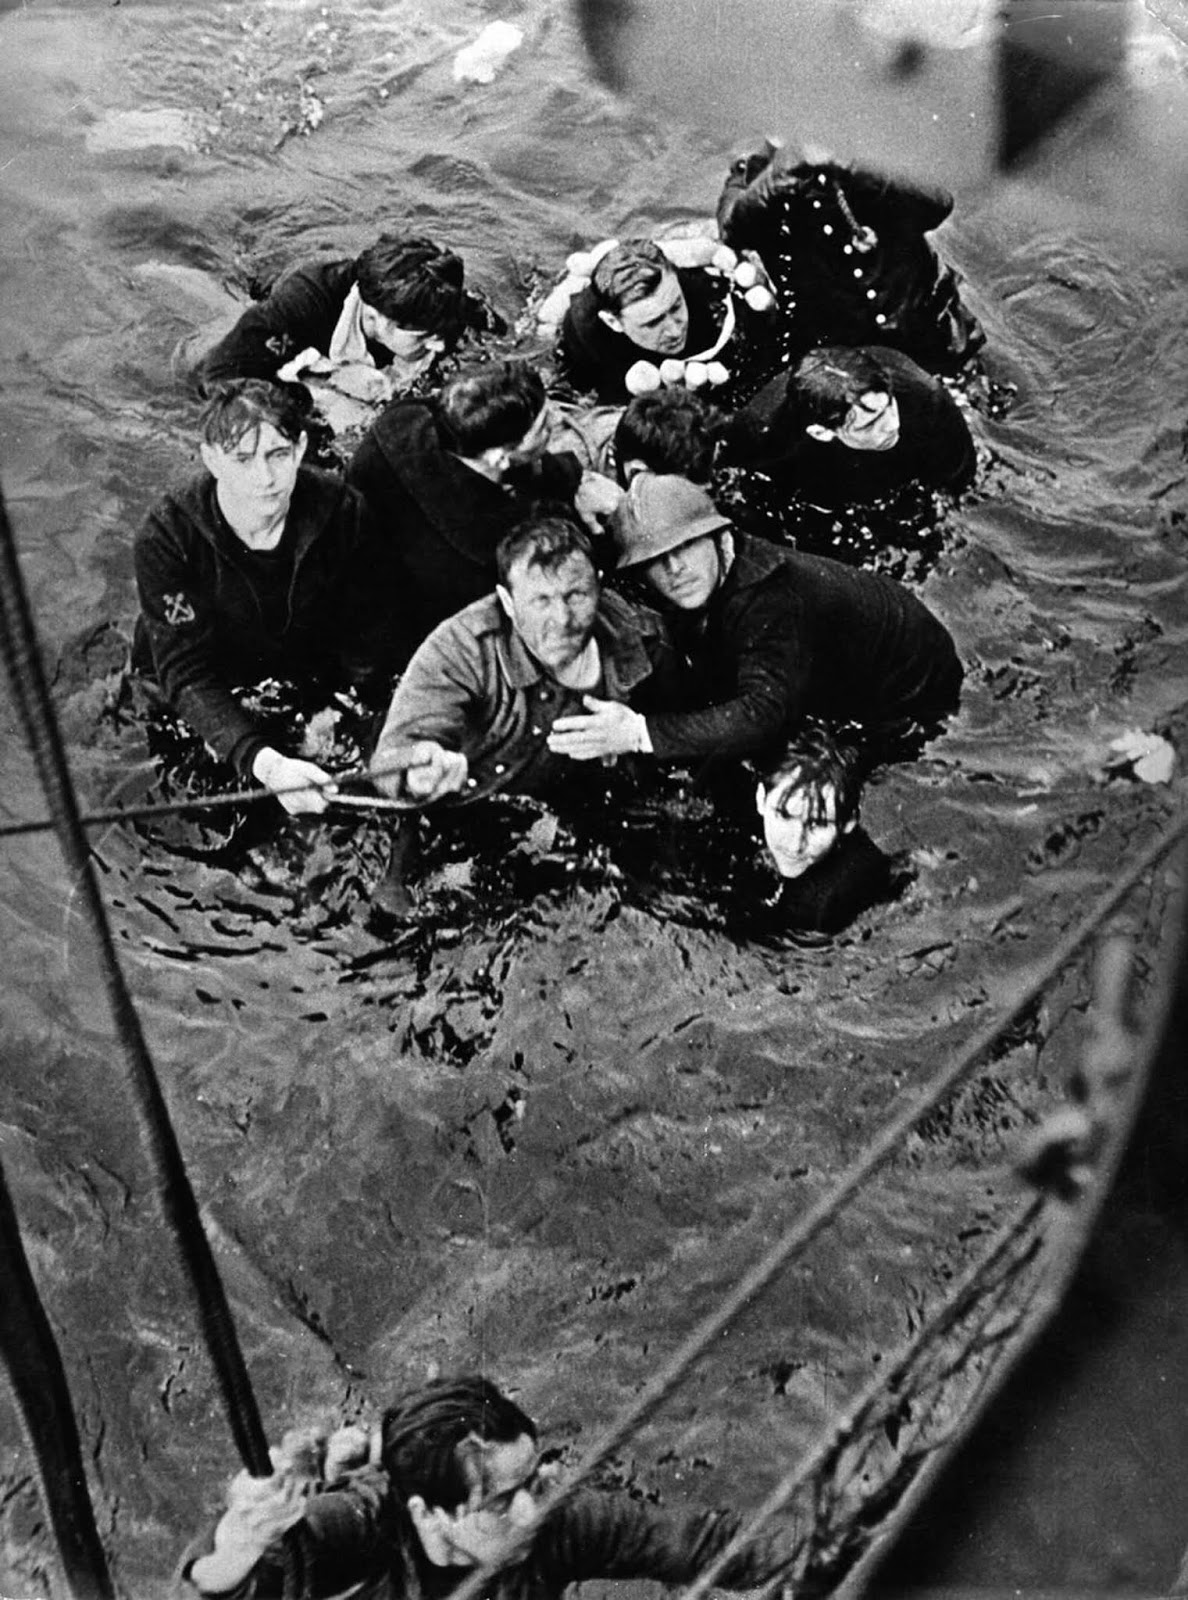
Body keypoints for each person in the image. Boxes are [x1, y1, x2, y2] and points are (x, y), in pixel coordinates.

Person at [182, 1372, 800, 1598]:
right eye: (504, 1501)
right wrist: (238, 1539)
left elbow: (707, 1545)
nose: (533, 1508)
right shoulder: (363, 1528)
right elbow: (227, 1583)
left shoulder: (554, 1522)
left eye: (531, 1480)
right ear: (429, 1514)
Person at [546, 472, 962, 770]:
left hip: (910, 703)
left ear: (720, 537)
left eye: (687, 547)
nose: (675, 570)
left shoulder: (773, 604)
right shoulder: (720, 564)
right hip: (847, 654)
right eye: (655, 562)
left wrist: (638, 734)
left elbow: (763, 714)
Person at [366, 514, 676, 914]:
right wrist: (418, 773)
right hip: (464, 803)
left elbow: (684, 736)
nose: (561, 620)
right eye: (540, 601)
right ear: (508, 603)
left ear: (598, 584)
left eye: (576, 595)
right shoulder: (463, 647)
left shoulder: (643, 639)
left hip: (567, 806)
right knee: (394, 918)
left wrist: (637, 733)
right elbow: (395, 750)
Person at [133, 379, 400, 815]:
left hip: (295, 663)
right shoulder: (168, 535)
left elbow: (367, 629)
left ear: (300, 449)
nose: (265, 479)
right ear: (212, 461)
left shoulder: (344, 511)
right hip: (199, 678)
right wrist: (266, 763)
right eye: (243, 459)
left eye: (278, 455)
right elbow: (185, 672)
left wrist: (344, 708)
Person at [347, 361, 619, 654]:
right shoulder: (494, 546)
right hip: (421, 620)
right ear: (499, 459)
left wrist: (572, 476)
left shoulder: (401, 420)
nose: (556, 420)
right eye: (542, 428)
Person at [716, 141, 984, 375]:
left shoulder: (876, 144)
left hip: (923, 323)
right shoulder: (754, 171)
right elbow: (731, 231)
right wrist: (776, 177)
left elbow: (937, 205)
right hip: (843, 347)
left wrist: (856, 168)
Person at [186, 234, 497, 401]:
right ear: (376, 318)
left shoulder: (443, 305)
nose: (441, 346)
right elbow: (217, 377)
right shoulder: (305, 303)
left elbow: (507, 344)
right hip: (265, 279)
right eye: (425, 337)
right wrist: (319, 391)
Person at [733, 344, 976, 508]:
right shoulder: (766, 435)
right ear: (822, 432)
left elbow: (957, 470)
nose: (892, 424)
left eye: (888, 406)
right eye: (870, 423)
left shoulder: (924, 397)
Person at [556, 239, 769, 404]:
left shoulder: (704, 295)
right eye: (652, 323)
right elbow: (573, 394)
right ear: (614, 322)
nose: (675, 330)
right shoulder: (585, 332)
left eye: (676, 307)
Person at [746, 723, 896, 936]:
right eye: (785, 815)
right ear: (760, 799)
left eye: (818, 824)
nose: (796, 844)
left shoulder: (825, 904)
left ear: (848, 823)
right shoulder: (734, 809)